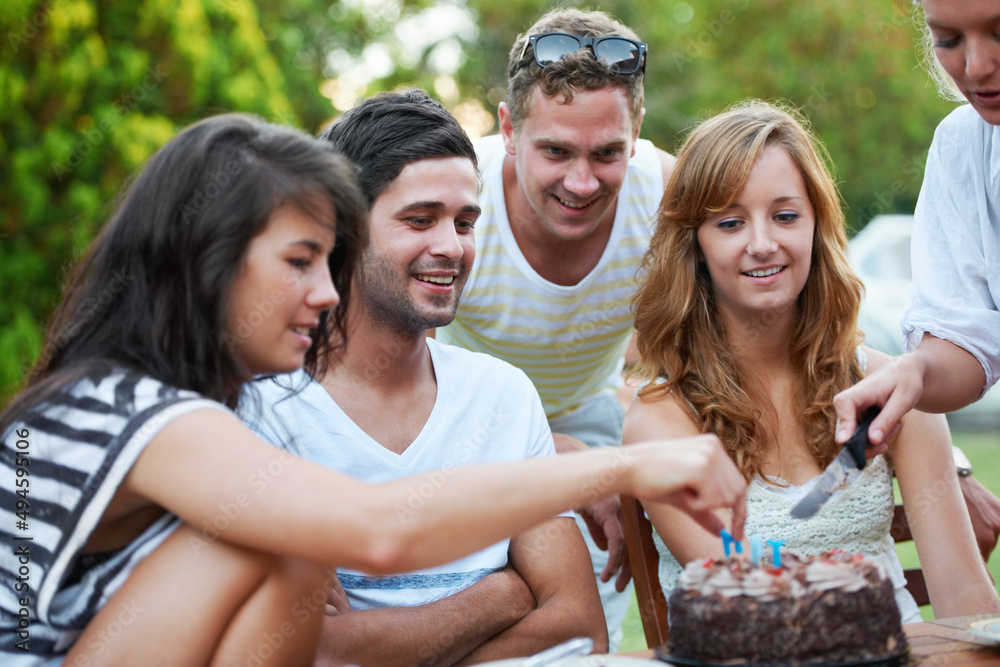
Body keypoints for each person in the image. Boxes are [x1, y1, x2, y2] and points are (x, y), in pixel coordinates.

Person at [0, 113, 747, 666]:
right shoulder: (136, 409)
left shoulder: (174, 403)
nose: (326, 292)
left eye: (330, 261)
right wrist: (620, 468)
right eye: (300, 261)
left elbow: (573, 620)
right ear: (209, 261)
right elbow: (377, 531)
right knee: (279, 548)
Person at [244, 90, 606, 665]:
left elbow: (578, 628)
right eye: (420, 220)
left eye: (465, 223)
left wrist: (390, 644)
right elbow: (318, 652)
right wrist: (502, 594)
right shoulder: (264, 408)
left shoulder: (504, 396)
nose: (451, 247)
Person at [622, 100, 1000, 621]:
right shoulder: (660, 419)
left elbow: (967, 604)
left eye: (785, 216)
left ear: (816, 227)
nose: (762, 243)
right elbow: (751, 611)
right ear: (695, 246)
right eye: (729, 223)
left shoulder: (898, 390)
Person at [434, 8, 674, 648]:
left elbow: (791, 321)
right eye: (556, 151)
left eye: (607, 153)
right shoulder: (461, 200)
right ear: (509, 130)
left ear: (637, 131)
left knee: (578, 641)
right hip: (458, 427)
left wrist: (948, 462)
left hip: (588, 417)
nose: (581, 181)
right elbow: (389, 370)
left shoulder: (665, 194)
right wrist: (565, 461)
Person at [832, 0, 1000, 449]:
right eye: (948, 40)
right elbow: (966, 335)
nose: (976, 66)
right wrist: (915, 370)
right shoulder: (963, 147)